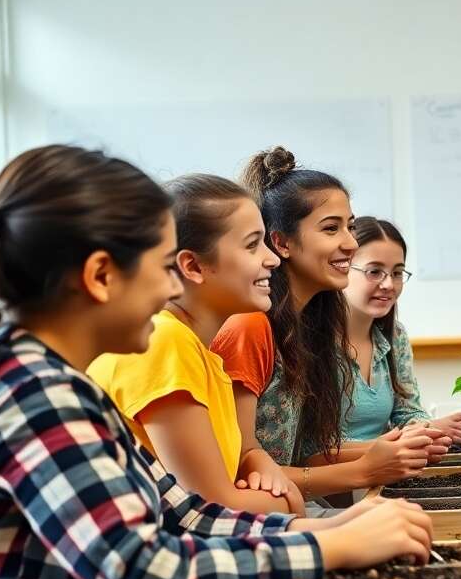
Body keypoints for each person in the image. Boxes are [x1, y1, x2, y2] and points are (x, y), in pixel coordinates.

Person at [0, 145, 436, 579]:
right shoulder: (36, 396)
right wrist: (331, 548)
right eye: (163, 267)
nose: (173, 291)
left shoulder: (66, 385)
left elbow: (186, 513)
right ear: (100, 276)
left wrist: (333, 528)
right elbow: (141, 573)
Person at [211, 147, 445, 502]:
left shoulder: (308, 330)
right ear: (282, 243)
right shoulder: (251, 327)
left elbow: (298, 456)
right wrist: (368, 467)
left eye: (350, 227)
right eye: (331, 228)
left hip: (289, 508)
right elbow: (243, 469)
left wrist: (387, 448)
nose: (350, 243)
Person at [89, 174, 302, 516]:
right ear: (193, 266)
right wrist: (288, 499)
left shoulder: (201, 352)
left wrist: (256, 460)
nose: (273, 259)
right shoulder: (164, 342)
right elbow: (210, 512)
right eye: (252, 245)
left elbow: (229, 481)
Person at [342, 215, 461, 444]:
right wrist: (411, 436)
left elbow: (407, 411)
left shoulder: (395, 336)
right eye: (374, 271)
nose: (389, 285)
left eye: (397, 273)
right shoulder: (314, 343)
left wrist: (431, 429)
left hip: (388, 470)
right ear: (342, 268)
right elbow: (315, 447)